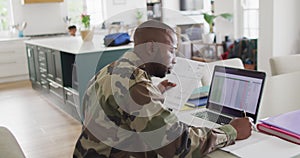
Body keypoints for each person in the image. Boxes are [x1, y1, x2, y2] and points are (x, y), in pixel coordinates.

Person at [73, 20, 252, 158]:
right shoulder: (135, 85)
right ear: (151, 47)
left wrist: (154, 92)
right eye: (172, 50)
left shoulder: (111, 69)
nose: (175, 59)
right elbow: (177, 145)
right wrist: (232, 131)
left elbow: (121, 111)